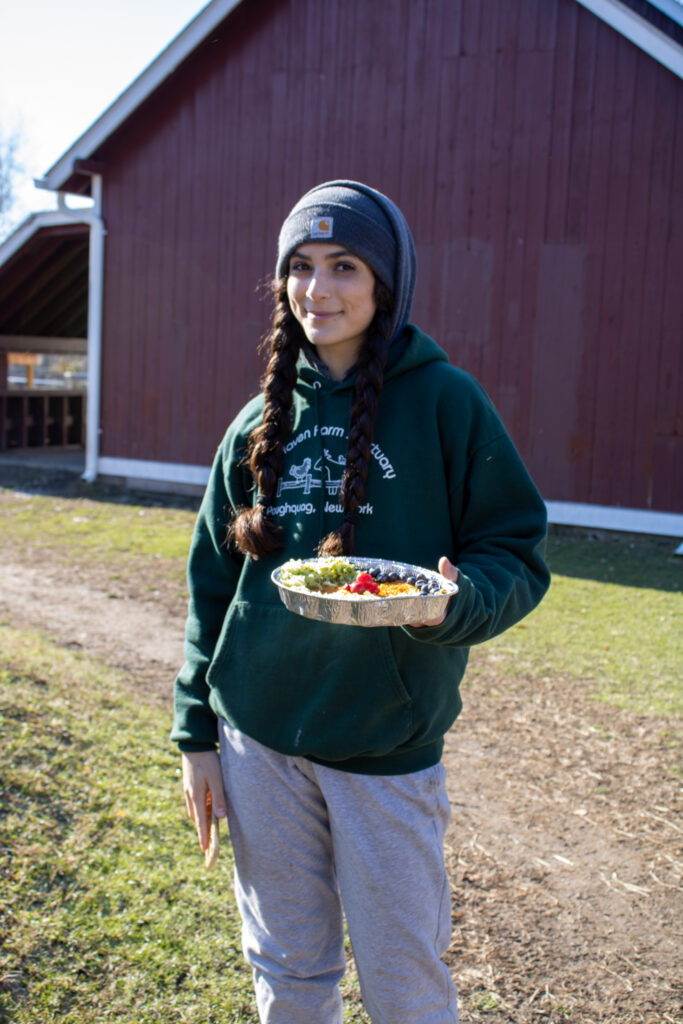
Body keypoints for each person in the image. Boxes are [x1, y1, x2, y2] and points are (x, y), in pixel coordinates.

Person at [172, 180, 550, 1024]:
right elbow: (210, 588)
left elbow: (515, 551)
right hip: (257, 742)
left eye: (344, 265)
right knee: (287, 968)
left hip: (385, 743)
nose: (318, 288)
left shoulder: (445, 403)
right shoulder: (255, 422)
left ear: (386, 282)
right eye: (300, 266)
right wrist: (196, 734)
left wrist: (450, 603)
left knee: (403, 980)